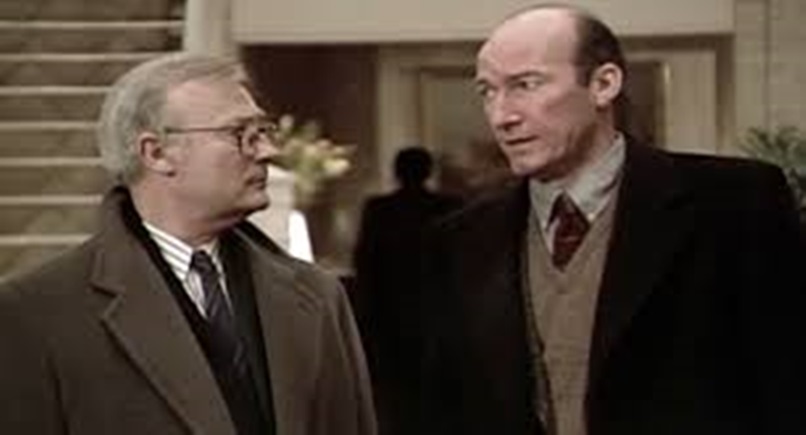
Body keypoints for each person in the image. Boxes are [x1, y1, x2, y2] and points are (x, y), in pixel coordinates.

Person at [419, 4, 806, 435]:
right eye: (487, 92)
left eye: (525, 85)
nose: (501, 116)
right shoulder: (463, 239)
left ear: (604, 84)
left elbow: (789, 383)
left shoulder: (735, 204)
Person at [0, 53, 376, 435]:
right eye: (240, 134)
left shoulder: (319, 296)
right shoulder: (37, 314)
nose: (267, 151)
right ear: (157, 153)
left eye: (263, 131)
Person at [353, 147, 461, 435]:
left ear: (397, 172)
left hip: (391, 314)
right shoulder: (448, 207)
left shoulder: (380, 209)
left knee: (398, 396)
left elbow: (365, 260)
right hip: (436, 312)